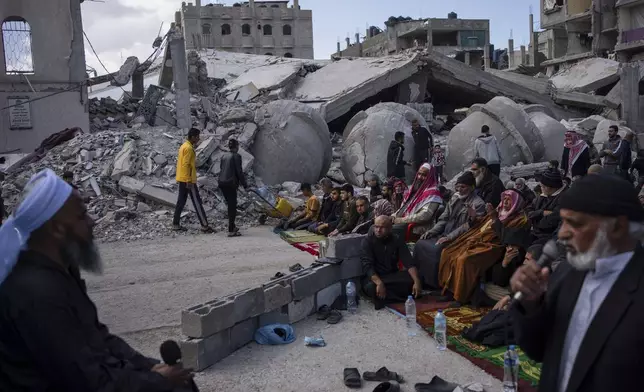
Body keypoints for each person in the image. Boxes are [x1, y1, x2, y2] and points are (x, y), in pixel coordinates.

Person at [0, 169, 194, 391]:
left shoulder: (61, 271)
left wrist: (147, 367)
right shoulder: (36, 293)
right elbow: (86, 381)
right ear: (57, 229)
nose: (92, 222)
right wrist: (158, 381)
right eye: (82, 215)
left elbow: (98, 337)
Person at [510, 174, 644, 392]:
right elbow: (540, 350)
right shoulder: (568, 272)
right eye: (562, 221)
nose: (562, 234)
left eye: (575, 223)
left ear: (618, 227)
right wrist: (532, 304)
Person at [438, 189, 531, 304]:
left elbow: (506, 238)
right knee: (447, 252)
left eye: (509, 200)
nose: (505, 202)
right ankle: (448, 290)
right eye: (504, 199)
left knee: (464, 259)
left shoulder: (520, 219)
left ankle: (460, 297)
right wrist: (473, 217)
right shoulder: (499, 210)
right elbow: (482, 224)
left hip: (494, 246)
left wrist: (494, 217)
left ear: (516, 203)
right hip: (476, 239)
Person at [413, 171, 486, 289]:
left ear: (471, 187)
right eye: (458, 187)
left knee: (436, 251)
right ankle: (420, 279)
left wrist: (449, 237)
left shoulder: (478, 204)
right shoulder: (455, 197)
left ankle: (435, 284)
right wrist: (432, 231)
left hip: (460, 239)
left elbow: (467, 227)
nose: (460, 189)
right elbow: (444, 218)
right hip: (444, 233)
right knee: (420, 244)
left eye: (463, 187)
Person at [361, 216, 423, 310]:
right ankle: (402, 295)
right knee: (370, 287)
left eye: (382, 227)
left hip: (392, 276)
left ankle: (385, 296)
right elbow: (367, 266)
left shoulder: (396, 239)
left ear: (390, 229)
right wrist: (379, 283)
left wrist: (416, 281)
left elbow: (408, 262)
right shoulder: (367, 241)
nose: (378, 230)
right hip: (375, 278)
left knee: (419, 278)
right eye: (376, 227)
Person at [173, 128, 213, 233]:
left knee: (181, 201)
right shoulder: (189, 149)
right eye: (197, 137)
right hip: (188, 180)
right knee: (197, 202)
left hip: (182, 178)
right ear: (193, 137)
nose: (199, 139)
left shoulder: (183, 146)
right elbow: (186, 165)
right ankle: (205, 225)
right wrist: (188, 181)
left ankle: (175, 224)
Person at [392, 163, 443, 238]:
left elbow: (425, 216)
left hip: (416, 228)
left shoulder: (433, 193)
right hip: (402, 222)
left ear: (430, 177)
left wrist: (400, 220)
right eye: (419, 174)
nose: (419, 177)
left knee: (388, 232)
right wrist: (393, 216)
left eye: (424, 175)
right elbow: (403, 208)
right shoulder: (413, 190)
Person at [528, 169, 567, 246]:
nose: (540, 188)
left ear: (549, 187)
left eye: (542, 186)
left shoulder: (564, 199)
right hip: (535, 233)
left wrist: (535, 218)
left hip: (549, 236)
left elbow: (547, 223)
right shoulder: (543, 195)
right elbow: (528, 212)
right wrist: (541, 212)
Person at [218, 138, 247, 237]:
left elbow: (222, 169)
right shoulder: (237, 156)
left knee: (230, 205)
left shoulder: (223, 156)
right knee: (232, 206)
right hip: (230, 184)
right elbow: (239, 172)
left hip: (222, 183)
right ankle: (231, 230)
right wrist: (245, 185)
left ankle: (232, 226)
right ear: (237, 147)